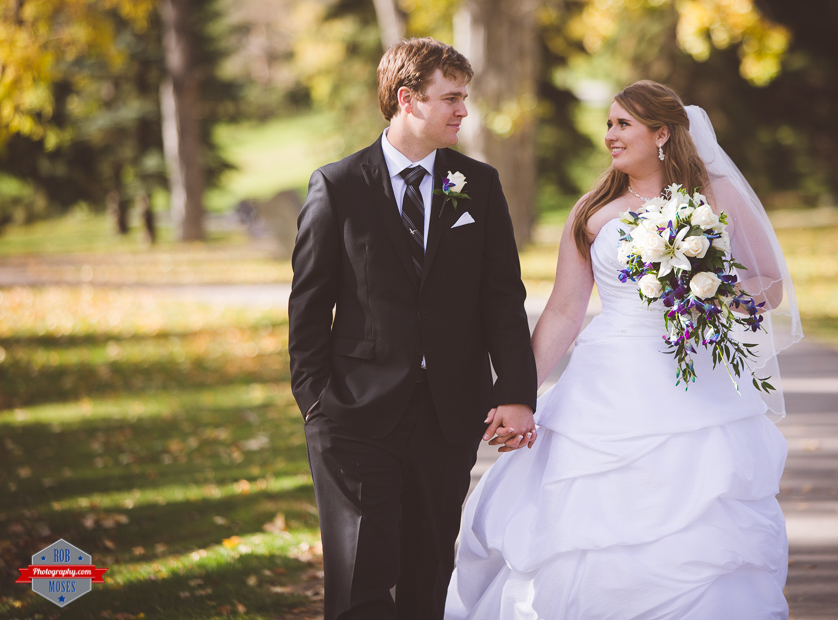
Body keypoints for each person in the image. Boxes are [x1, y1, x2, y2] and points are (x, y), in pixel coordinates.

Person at [445, 80, 803, 619]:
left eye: (623, 124)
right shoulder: (592, 209)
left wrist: (707, 289)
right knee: (587, 520)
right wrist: (519, 392)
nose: (610, 135)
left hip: (693, 380)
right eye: (609, 123)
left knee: (698, 517)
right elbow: (565, 310)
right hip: (607, 381)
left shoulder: (714, 194)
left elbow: (769, 283)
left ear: (661, 134)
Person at [288, 37, 538, 620]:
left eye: (464, 97)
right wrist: (316, 406)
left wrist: (516, 395)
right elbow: (307, 307)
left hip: (448, 417)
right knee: (360, 584)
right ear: (408, 99)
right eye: (450, 97)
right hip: (353, 418)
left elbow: (503, 300)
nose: (463, 111)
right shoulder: (339, 186)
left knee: (428, 580)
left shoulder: (478, 184)